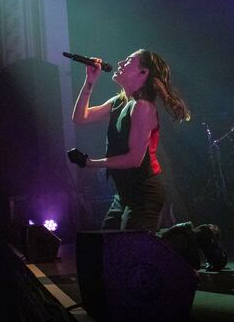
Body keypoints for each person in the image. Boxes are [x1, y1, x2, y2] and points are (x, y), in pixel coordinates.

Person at [71, 49, 190, 231]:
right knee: (109, 247)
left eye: (127, 61)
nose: (119, 63)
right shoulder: (119, 101)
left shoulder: (142, 107)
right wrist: (89, 82)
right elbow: (80, 118)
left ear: (143, 73)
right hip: (124, 194)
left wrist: (90, 163)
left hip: (144, 193)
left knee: (132, 250)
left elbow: (134, 159)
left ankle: (193, 237)